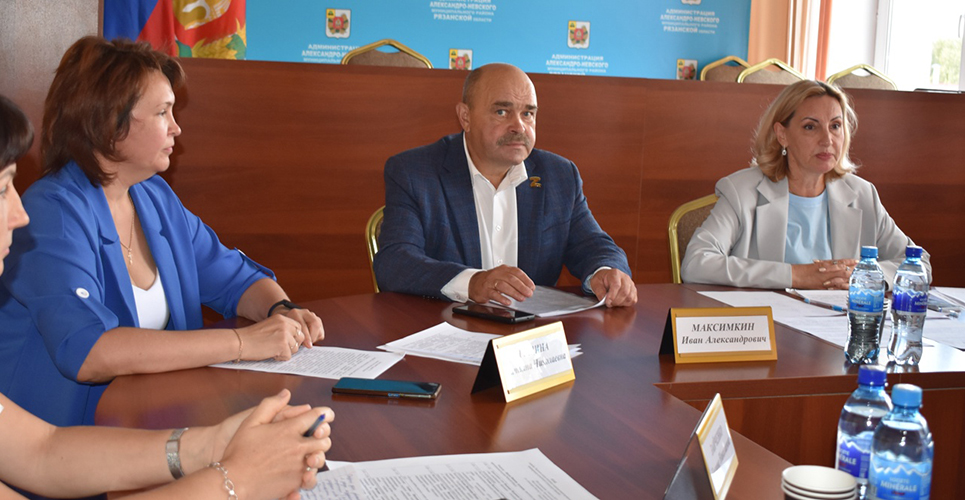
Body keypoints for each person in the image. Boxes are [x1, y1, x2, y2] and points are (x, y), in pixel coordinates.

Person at [0, 93, 334, 500]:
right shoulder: (54, 208)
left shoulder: (153, 196)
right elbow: (86, 355)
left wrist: (213, 444)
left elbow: (43, 453)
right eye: (2, 189)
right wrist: (236, 480)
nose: (20, 214)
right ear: (108, 121)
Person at [373, 63, 637, 308]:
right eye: (502, 112)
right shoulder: (415, 173)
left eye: (528, 113)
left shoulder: (558, 176)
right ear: (465, 117)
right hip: (446, 326)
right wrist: (472, 282)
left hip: (531, 334)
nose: (518, 126)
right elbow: (395, 262)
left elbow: (594, 245)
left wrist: (605, 272)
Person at [681, 80, 930, 289]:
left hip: (838, 325)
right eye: (811, 127)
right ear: (782, 134)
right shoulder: (742, 191)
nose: (827, 139)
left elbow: (919, 264)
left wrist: (864, 277)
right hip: (769, 325)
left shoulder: (862, 194)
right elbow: (696, 263)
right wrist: (797, 275)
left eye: (835, 126)